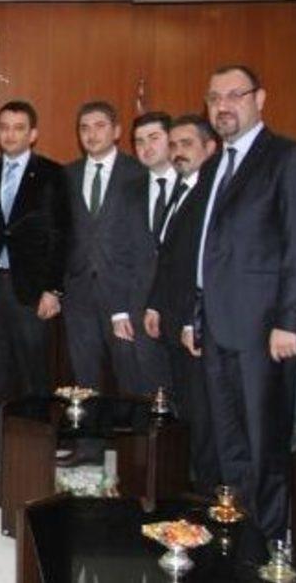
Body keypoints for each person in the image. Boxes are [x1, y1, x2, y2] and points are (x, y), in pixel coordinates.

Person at [192, 65, 296, 539]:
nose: (222, 106)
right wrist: (196, 316)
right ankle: (243, 543)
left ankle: (271, 547)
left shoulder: (289, 157)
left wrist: (289, 320)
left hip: (265, 331)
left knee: (265, 446)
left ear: (260, 99)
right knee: (230, 444)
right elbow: (208, 250)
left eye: (234, 95)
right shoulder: (214, 166)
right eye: (214, 98)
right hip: (217, 326)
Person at [0, 100, 69, 470]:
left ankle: (36, 446)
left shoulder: (52, 174)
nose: (9, 134)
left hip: (32, 289)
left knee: (34, 374)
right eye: (4, 127)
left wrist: (53, 289)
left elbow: (61, 235)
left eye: (18, 127)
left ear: (33, 134)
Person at [143, 113, 221, 495]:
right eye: (173, 145)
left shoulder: (212, 195)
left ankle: (207, 493)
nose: (177, 152)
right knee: (186, 407)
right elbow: (169, 258)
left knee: (203, 413)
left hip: (196, 324)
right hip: (173, 319)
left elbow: (205, 265)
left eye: (186, 144)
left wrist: (194, 320)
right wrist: (155, 305)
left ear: (211, 147)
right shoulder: (181, 189)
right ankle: (190, 483)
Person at [61, 101, 146, 394]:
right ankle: (90, 428)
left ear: (117, 131)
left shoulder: (138, 173)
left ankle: (131, 428)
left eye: (100, 126)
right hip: (78, 294)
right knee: (84, 381)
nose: (91, 134)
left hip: (125, 295)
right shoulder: (66, 175)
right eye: (84, 128)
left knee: (131, 380)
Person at [116, 111, 177, 395]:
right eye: (139, 141)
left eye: (154, 138)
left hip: (182, 307)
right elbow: (120, 253)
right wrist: (119, 310)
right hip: (139, 306)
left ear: (171, 139)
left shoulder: (195, 185)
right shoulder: (128, 191)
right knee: (149, 391)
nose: (146, 147)